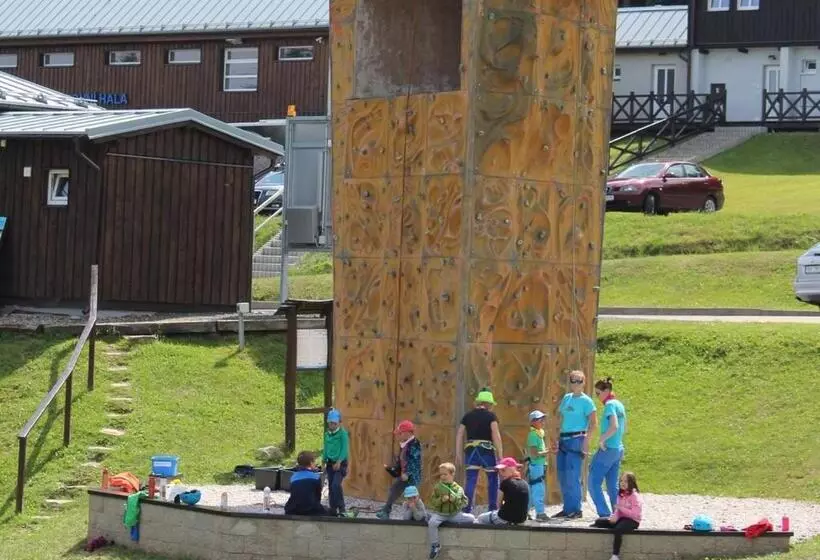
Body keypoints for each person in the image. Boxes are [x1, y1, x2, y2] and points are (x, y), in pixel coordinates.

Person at [552, 370, 597, 520]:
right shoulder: (566, 398)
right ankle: (567, 508)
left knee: (573, 476)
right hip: (564, 438)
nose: (576, 384)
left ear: (584, 382)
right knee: (563, 475)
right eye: (573, 380)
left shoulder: (587, 401)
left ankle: (576, 509)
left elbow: (593, 423)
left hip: (577, 438)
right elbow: (560, 418)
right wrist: (555, 438)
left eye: (579, 381)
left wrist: (586, 442)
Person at [456, 387, 503, 513]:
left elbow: (460, 434)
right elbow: (495, 434)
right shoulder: (491, 416)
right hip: (487, 450)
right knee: (493, 479)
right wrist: (500, 454)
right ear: (488, 404)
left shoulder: (467, 416)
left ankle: (466, 510)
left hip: (471, 450)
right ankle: (493, 509)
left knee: (471, 479)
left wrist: (458, 453)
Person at [589, 377, 627, 518]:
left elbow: (615, 426)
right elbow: (623, 428)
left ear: (606, 391)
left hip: (608, 449)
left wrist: (602, 439)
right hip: (617, 448)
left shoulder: (610, 405)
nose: (597, 397)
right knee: (612, 485)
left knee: (593, 482)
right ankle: (618, 513)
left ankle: (604, 514)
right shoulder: (619, 404)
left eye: (598, 393)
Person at [427, 463, 475, 560]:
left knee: (472, 518)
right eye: (441, 475)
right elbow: (432, 502)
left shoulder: (458, 489)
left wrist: (456, 500)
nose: (442, 477)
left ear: (452, 474)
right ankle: (435, 545)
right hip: (440, 514)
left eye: (445, 474)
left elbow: (465, 502)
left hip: (454, 515)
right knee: (432, 523)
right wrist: (441, 500)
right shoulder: (437, 487)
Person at [377, 420, 423, 519]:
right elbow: (401, 460)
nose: (399, 435)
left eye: (401, 433)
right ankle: (386, 510)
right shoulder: (404, 444)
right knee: (394, 489)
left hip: (412, 477)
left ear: (409, 433)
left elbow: (414, 462)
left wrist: (407, 473)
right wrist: (393, 469)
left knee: (412, 497)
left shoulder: (414, 444)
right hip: (404, 476)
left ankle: (419, 516)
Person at [592, 472, 643, 560]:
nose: (622, 483)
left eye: (626, 481)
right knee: (599, 522)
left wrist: (621, 508)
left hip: (633, 520)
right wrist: (614, 517)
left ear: (631, 483)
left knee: (618, 529)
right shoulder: (621, 494)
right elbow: (618, 511)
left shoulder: (635, 496)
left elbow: (635, 513)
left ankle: (615, 555)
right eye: (621, 481)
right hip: (621, 519)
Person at [476, 457, 529, 526]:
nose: (501, 473)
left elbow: (498, 503)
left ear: (512, 470)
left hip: (504, 518)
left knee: (480, 518)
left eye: (503, 470)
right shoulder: (525, 483)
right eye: (499, 471)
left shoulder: (505, 483)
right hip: (521, 520)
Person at [322, 408, 349, 516]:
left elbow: (344, 449)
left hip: (340, 464)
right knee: (330, 487)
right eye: (330, 423)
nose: (332, 426)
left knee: (336, 485)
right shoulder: (327, 434)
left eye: (334, 423)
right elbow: (326, 448)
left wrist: (339, 461)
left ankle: (342, 508)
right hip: (330, 463)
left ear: (338, 423)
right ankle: (333, 508)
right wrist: (323, 460)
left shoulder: (343, 434)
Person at [284, 451, 327, 516]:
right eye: (314, 462)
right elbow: (318, 496)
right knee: (330, 511)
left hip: (294, 509)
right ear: (311, 463)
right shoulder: (316, 477)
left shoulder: (293, 477)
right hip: (311, 509)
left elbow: (293, 493)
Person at [525, 410, 549, 521]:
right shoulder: (533, 435)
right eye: (540, 420)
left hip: (537, 466)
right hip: (536, 466)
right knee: (538, 489)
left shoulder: (538, 434)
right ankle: (540, 513)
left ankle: (525, 512)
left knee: (531, 490)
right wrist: (548, 452)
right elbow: (534, 454)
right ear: (533, 422)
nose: (543, 422)